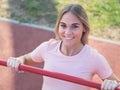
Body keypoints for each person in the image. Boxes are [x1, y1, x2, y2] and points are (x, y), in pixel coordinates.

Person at [7, 4, 120, 90]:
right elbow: (26, 60)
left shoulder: (94, 58)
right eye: (63, 26)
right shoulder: (47, 48)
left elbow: (117, 85)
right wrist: (18, 60)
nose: (67, 32)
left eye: (74, 26)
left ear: (84, 28)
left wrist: (113, 85)